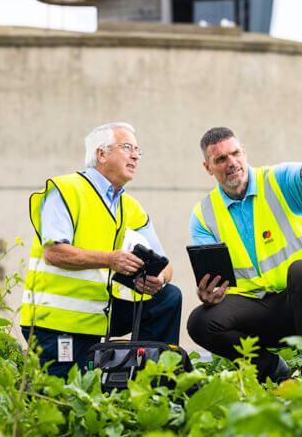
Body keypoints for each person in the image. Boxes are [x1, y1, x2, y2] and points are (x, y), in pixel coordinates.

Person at [186, 120, 302, 383]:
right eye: (221, 159)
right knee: (200, 322)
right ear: (208, 167)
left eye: (235, 153)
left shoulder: (278, 180)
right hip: (262, 312)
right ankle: (272, 369)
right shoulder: (204, 215)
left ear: (244, 152)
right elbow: (214, 277)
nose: (231, 163)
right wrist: (208, 294)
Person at [20, 122, 182, 379]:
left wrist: (158, 279)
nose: (135, 155)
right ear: (101, 154)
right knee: (66, 398)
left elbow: (167, 267)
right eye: (127, 147)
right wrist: (111, 260)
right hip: (56, 322)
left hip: (101, 314)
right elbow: (54, 252)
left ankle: (151, 384)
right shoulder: (67, 190)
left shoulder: (131, 207)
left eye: (138, 150)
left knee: (168, 297)